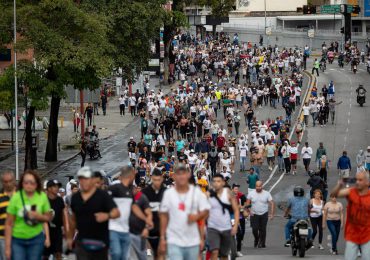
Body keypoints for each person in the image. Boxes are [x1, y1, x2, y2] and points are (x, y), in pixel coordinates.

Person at [159, 164, 210, 260]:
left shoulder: (196, 192)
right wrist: (162, 238)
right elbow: (163, 216)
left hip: (193, 240)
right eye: (178, 174)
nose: (181, 177)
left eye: (183, 174)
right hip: (174, 240)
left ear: (188, 175)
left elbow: (206, 211)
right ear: (174, 176)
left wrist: (197, 217)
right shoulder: (168, 194)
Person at [67, 167, 120, 260]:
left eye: (87, 179)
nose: (84, 182)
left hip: (100, 241)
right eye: (81, 179)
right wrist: (70, 238)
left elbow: (116, 213)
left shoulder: (103, 195)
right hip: (82, 241)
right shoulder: (75, 198)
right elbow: (73, 219)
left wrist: (107, 215)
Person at [5, 170, 52, 260]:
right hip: (18, 239)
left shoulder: (42, 196)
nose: (29, 185)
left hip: (36, 239)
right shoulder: (16, 197)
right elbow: (8, 224)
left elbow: (48, 217)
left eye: (32, 183)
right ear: (22, 184)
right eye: (26, 182)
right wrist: (7, 248)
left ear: (37, 184)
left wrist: (38, 216)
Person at [108, 166, 153, 260]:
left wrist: (146, 220)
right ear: (131, 175)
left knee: (128, 256)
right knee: (116, 254)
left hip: (127, 230)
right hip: (114, 229)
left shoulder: (129, 191)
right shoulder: (114, 188)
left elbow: (134, 207)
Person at [330, 171, 370, 259]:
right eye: (356, 180)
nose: (357, 182)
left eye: (360, 180)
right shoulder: (351, 192)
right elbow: (333, 195)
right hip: (352, 233)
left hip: (367, 234)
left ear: (367, 182)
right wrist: (339, 185)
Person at [207, 174, 239, 260]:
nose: (216, 183)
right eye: (214, 181)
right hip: (212, 228)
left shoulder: (228, 193)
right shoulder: (208, 194)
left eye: (219, 181)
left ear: (223, 182)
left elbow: (236, 210)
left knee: (224, 254)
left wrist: (235, 226)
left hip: (226, 228)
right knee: (214, 251)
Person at [142, 169, 166, 260]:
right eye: (155, 180)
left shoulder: (167, 192)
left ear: (162, 179)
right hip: (151, 229)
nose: (157, 182)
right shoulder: (144, 192)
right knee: (156, 254)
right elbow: (136, 206)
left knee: (161, 253)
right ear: (151, 178)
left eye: (159, 180)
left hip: (164, 229)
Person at [43, 180, 68, 260]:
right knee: (45, 254)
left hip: (57, 230)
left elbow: (64, 214)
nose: (57, 188)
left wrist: (65, 227)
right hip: (46, 230)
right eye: (55, 186)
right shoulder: (43, 200)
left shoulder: (60, 200)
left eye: (58, 186)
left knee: (58, 253)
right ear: (49, 188)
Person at [246, 181, 275, 248]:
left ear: (262, 186)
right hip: (254, 214)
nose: (258, 188)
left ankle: (262, 243)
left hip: (264, 213)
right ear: (255, 186)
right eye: (257, 186)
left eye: (259, 186)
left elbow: (272, 203)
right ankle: (256, 239)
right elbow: (247, 203)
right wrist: (249, 211)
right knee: (254, 229)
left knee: (263, 229)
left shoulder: (267, 193)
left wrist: (272, 214)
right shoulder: (251, 193)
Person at [129, 183, 152, 260]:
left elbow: (148, 211)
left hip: (141, 226)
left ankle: (148, 251)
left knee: (146, 241)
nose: (139, 189)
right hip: (130, 229)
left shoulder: (143, 197)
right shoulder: (128, 197)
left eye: (139, 188)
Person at [0, 171, 16, 260]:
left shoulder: (21, 195)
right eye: (6, 182)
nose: (8, 184)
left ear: (14, 180)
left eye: (10, 181)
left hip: (19, 236)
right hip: (3, 237)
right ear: (2, 182)